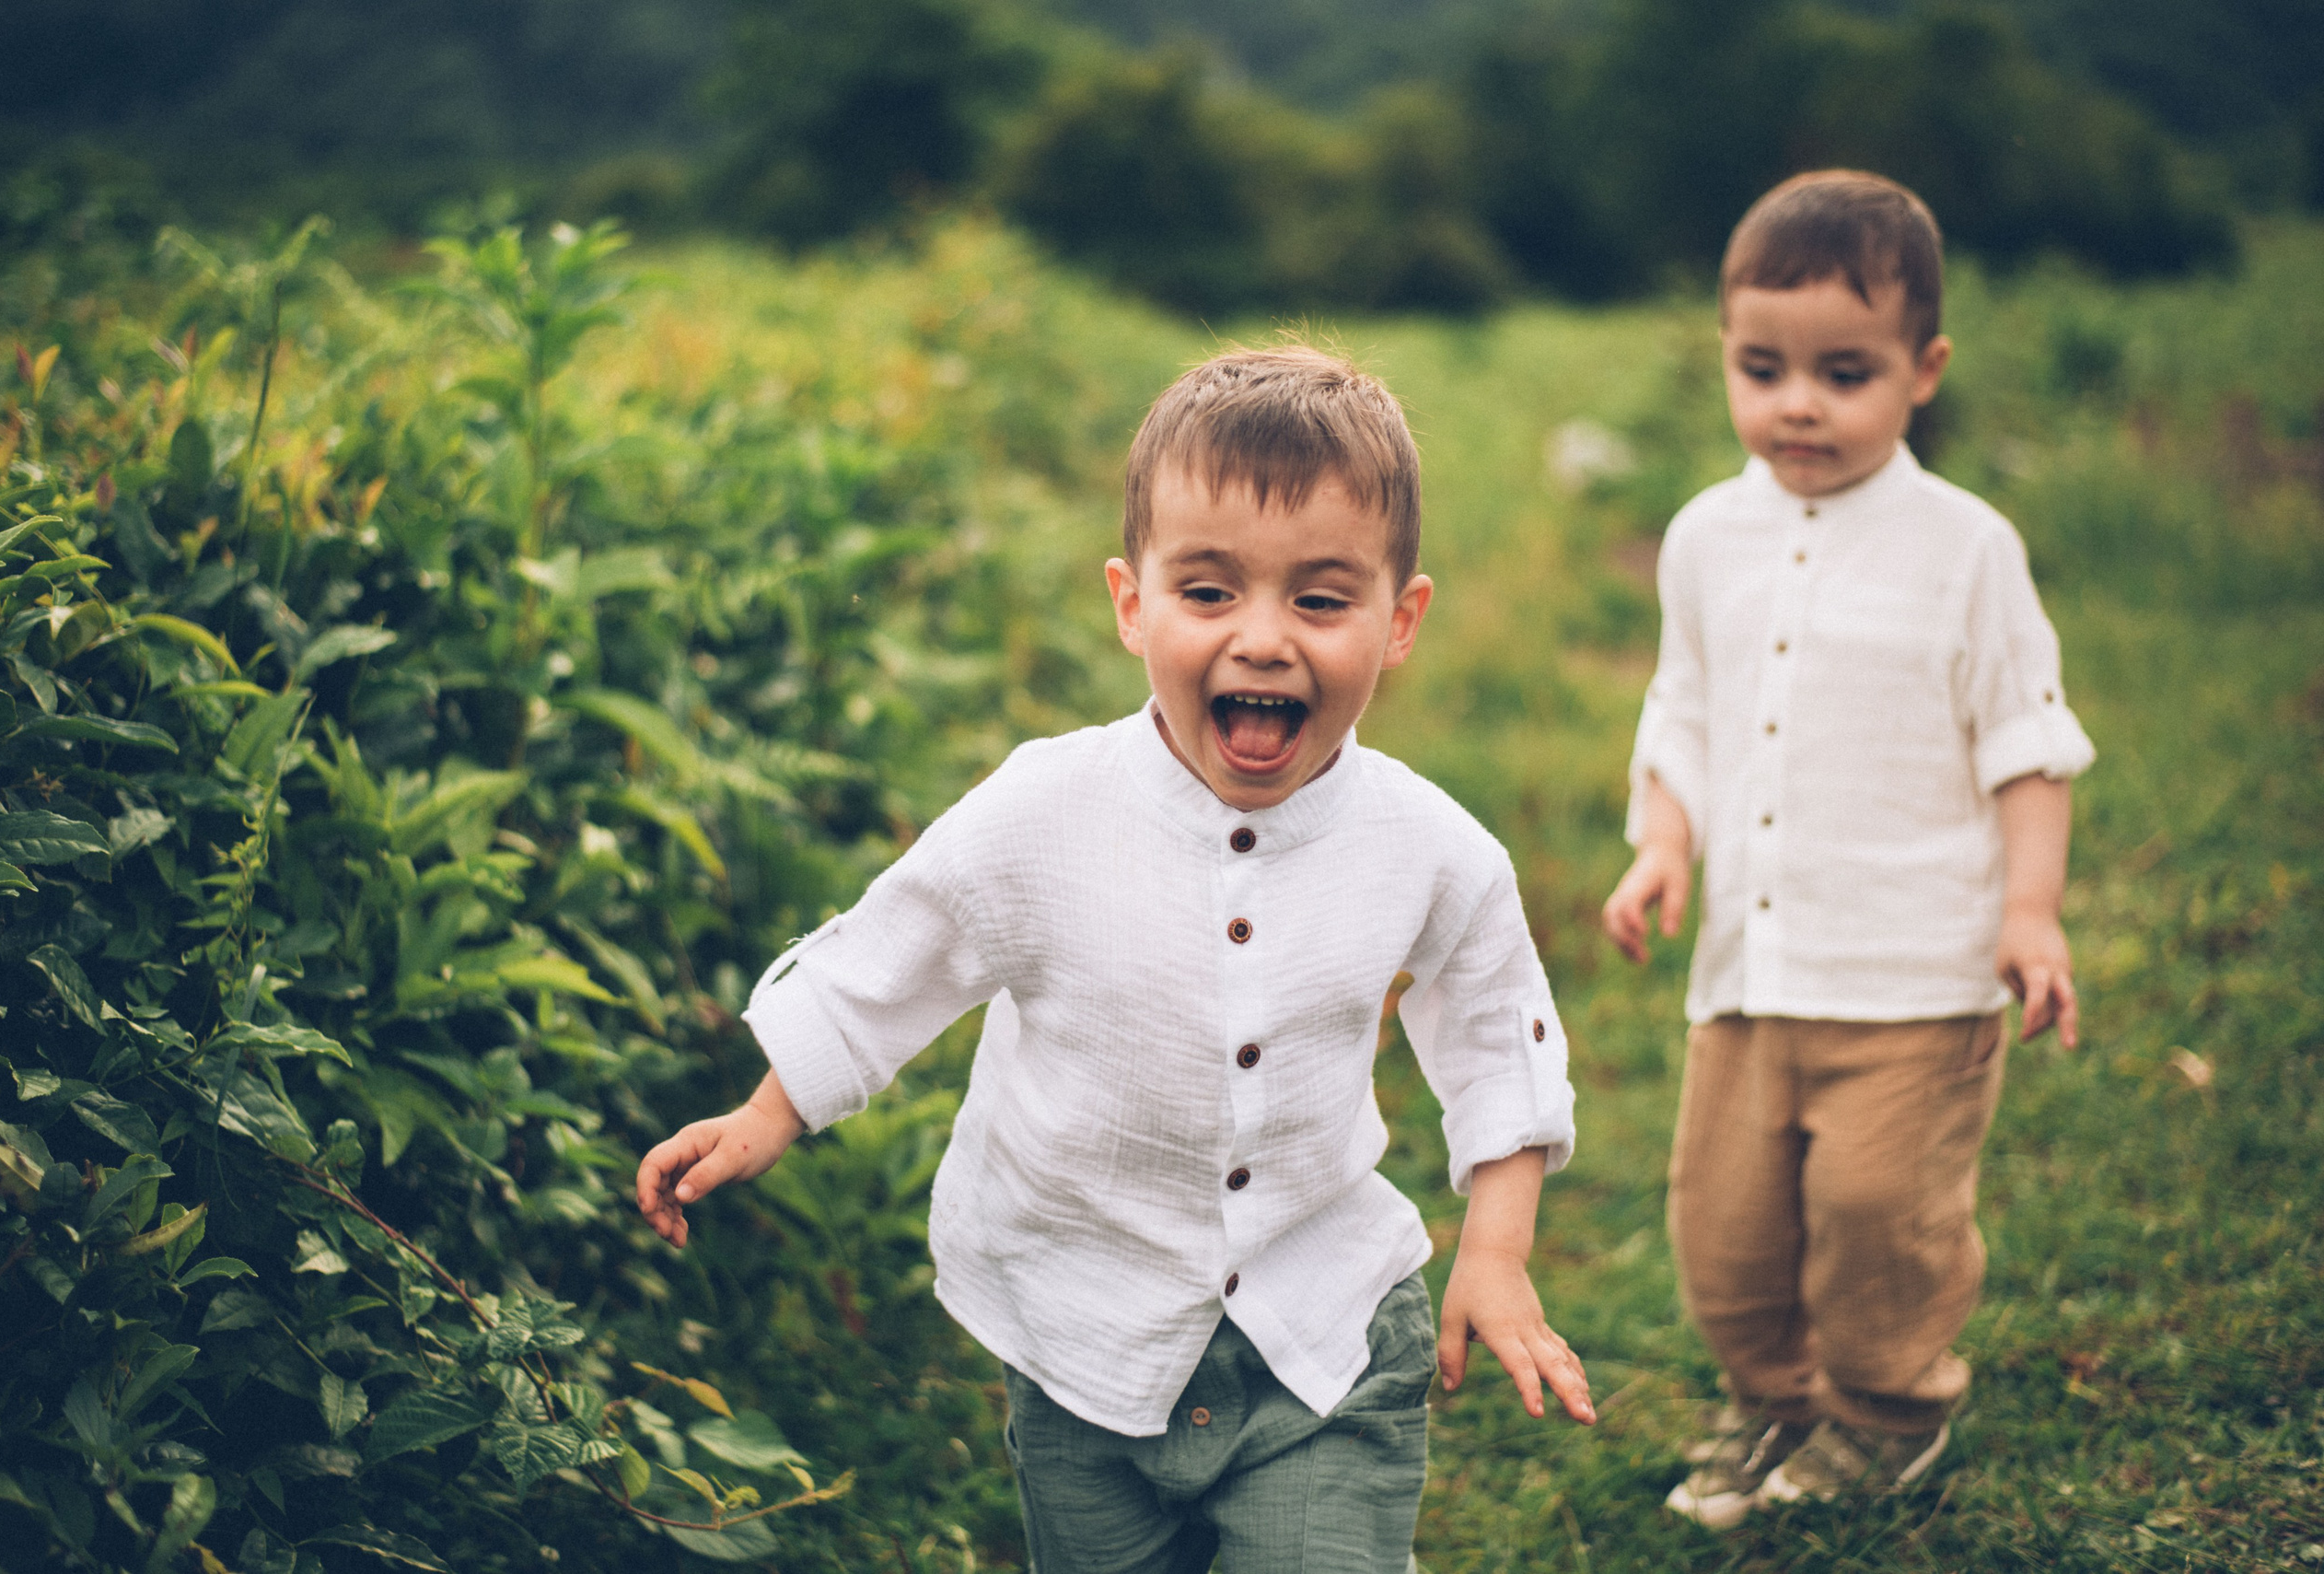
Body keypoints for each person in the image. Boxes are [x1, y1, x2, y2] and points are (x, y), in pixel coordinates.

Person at [640, 345, 1597, 1573]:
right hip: (1077, 1322)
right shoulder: (1047, 808)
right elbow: (904, 946)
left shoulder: (1428, 846)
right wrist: (769, 1111)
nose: (1263, 640)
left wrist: (1499, 1252)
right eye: (1209, 593)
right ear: (1131, 601)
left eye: (1319, 599)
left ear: (1398, 619)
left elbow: (1497, 1026)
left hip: (1324, 1332)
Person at [1601, 169, 2097, 1528]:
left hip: (1912, 979)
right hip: (1749, 974)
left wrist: (2033, 913)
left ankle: (1886, 1413)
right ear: (1725, 358)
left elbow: (2027, 744)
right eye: (1762, 368)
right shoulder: (1707, 536)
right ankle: (1773, 1392)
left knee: (1885, 1217)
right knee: (1725, 1227)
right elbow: (1683, 713)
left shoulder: (1966, 551)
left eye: (1845, 370)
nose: (1798, 403)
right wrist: (1662, 843)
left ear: (1924, 370)